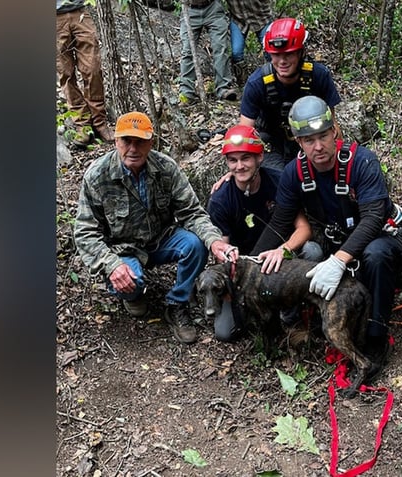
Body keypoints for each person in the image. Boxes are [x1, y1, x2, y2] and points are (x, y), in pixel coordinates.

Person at [250, 96, 402, 376]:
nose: (318, 147)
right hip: (339, 241)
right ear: (298, 142)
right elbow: (280, 221)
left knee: (375, 256)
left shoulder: (362, 162)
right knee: (314, 253)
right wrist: (249, 263)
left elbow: (374, 218)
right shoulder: (295, 173)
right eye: (308, 140)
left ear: (334, 131)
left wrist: (339, 261)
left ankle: (376, 337)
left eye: (323, 137)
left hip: (384, 237)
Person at [74, 111, 238, 344]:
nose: (133, 148)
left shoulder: (166, 168)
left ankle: (177, 303)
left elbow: (191, 212)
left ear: (152, 142)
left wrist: (215, 241)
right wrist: (112, 265)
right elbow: (84, 232)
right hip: (123, 250)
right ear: (116, 141)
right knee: (130, 285)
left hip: (162, 239)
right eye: (126, 141)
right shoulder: (98, 175)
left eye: (140, 141)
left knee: (195, 245)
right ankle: (131, 293)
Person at [207, 124, 322, 341]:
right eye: (233, 160)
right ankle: (257, 313)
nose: (239, 166)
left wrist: (282, 250)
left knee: (312, 251)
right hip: (245, 270)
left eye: (246, 158)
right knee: (226, 332)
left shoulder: (279, 182)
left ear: (260, 158)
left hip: (281, 261)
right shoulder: (221, 199)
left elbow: (304, 229)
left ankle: (292, 316)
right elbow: (221, 251)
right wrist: (231, 260)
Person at [238, 17, 342, 170]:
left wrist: (341, 160)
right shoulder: (257, 83)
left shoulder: (319, 76)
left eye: (288, 54)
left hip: (310, 138)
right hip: (271, 144)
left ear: (301, 52)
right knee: (278, 181)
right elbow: (245, 132)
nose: (282, 61)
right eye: (276, 55)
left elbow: (331, 124)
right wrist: (236, 172)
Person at [56, 0, 113, 147]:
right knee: (66, 74)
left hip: (80, 11)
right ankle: (83, 124)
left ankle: (100, 121)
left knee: (93, 68)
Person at [178, 0, 237, 104]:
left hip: (213, 7)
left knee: (220, 48)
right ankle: (186, 92)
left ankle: (223, 88)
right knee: (187, 52)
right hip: (189, 9)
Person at [224, 0, 273, 66]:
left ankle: (275, 73)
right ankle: (241, 75)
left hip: (261, 18)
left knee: (271, 50)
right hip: (238, 19)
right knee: (236, 53)